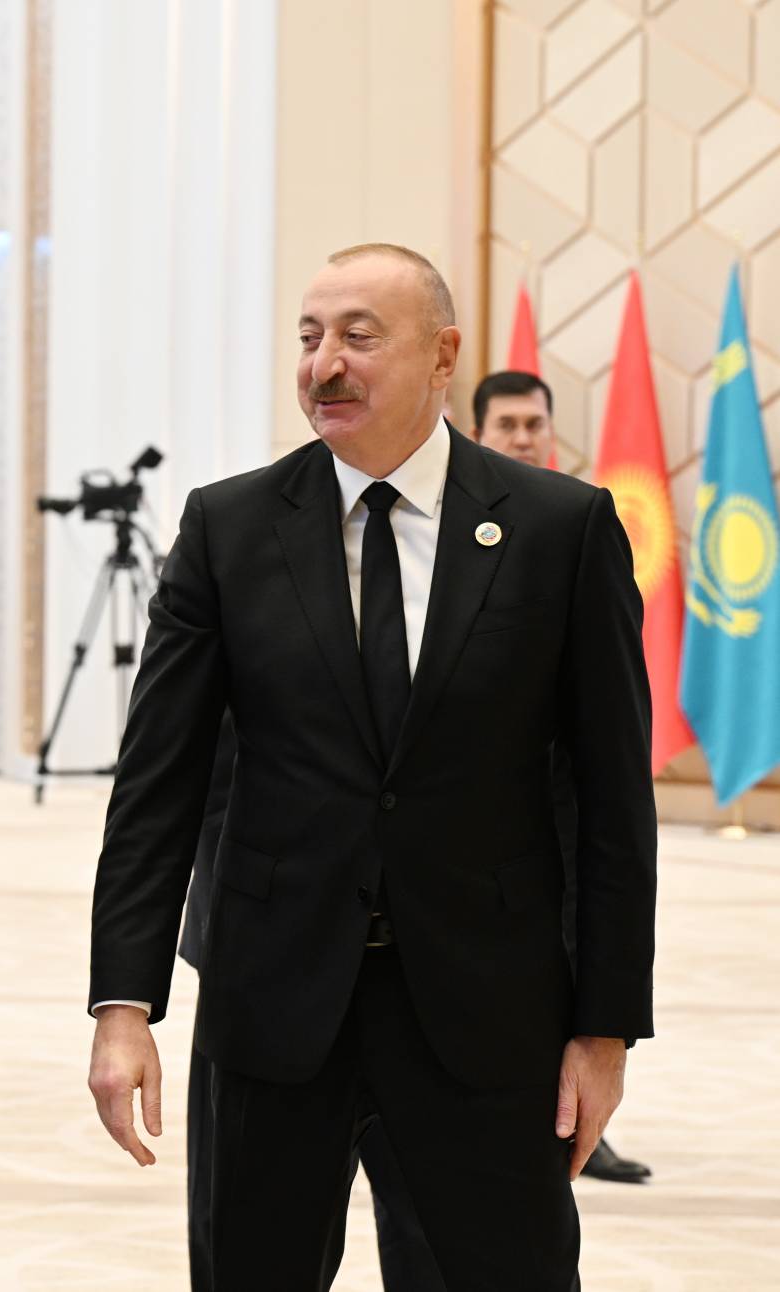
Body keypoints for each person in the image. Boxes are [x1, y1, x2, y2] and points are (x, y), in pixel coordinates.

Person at [87, 243, 656, 1289]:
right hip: (270, 1003)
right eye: (308, 338)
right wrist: (122, 1005)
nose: (323, 365)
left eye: (357, 336)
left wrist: (604, 1028)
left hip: (487, 1012)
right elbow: (155, 788)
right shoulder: (227, 527)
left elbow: (613, 800)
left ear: (441, 355)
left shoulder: (558, 530)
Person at [182, 715, 447, 1292]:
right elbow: (196, 765)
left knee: (438, 1246)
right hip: (268, 969)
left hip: (440, 975)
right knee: (245, 1245)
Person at [470, 367, 654, 1187]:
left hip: (568, 813)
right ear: (477, 432)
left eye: (532, 424)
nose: (521, 438)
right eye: (505, 425)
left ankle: (580, 1119)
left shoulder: (575, 525)